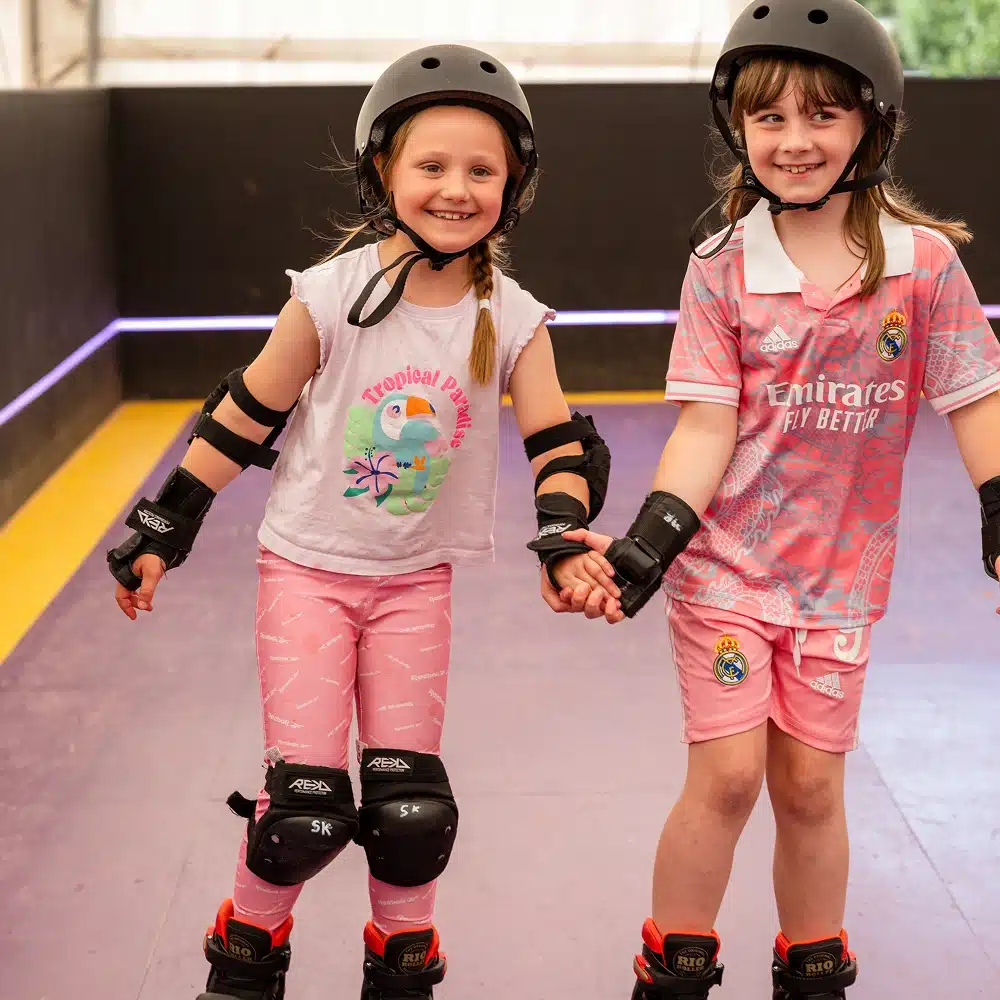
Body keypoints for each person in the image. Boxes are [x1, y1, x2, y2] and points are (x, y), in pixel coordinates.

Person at [107, 44, 619, 1000]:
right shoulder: (331, 294)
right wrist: (161, 531)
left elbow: (558, 444)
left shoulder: (510, 316)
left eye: (481, 170)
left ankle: (403, 969)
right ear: (383, 170)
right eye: (432, 165)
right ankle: (246, 961)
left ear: (514, 187)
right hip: (307, 574)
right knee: (302, 811)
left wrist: (562, 539)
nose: (456, 188)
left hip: (415, 585)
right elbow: (244, 414)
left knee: (410, 810)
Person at [562, 1, 1000, 996]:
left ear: (870, 125)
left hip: (839, 580)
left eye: (822, 114)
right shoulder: (721, 265)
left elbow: (976, 398)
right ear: (737, 131)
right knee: (727, 778)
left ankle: (812, 966)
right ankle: (672, 962)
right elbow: (708, 425)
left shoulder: (920, 265)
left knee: (809, 787)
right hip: (725, 568)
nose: (794, 140)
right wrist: (647, 545)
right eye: (769, 118)